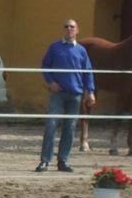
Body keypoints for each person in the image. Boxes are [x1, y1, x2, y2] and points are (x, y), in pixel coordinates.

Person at [36, 18, 95, 173]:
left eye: (72, 27)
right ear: (63, 30)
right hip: (58, 93)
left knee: (70, 128)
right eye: (66, 26)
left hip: (75, 93)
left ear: (77, 30)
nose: (69, 29)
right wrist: (50, 82)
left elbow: (87, 71)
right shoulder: (54, 47)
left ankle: (63, 160)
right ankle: (45, 161)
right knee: (51, 126)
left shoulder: (81, 51)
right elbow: (45, 65)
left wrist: (91, 91)